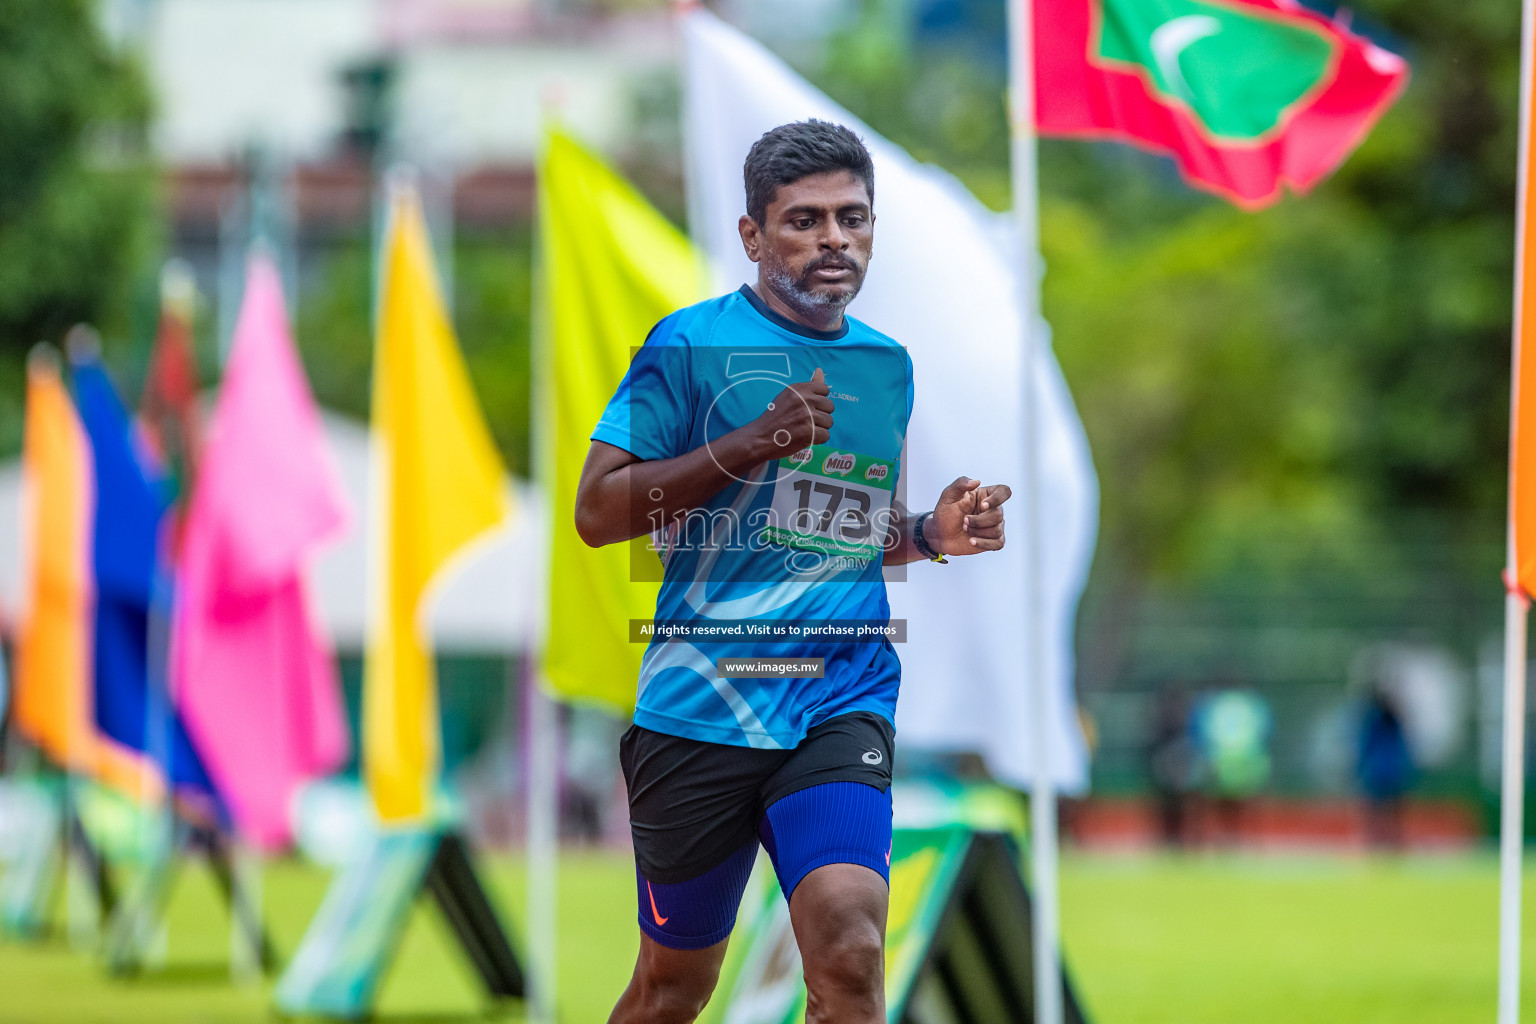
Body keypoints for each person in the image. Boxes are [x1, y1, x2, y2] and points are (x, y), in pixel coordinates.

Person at [575, 120, 1012, 1024]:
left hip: (836, 696)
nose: (833, 241)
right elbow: (598, 511)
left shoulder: (885, 367)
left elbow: (825, 527)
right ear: (752, 236)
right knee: (671, 992)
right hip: (703, 704)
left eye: (852, 218)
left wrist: (928, 532)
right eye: (804, 221)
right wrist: (748, 443)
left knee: (850, 953)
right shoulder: (688, 347)